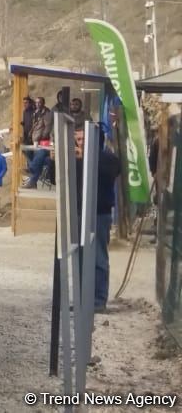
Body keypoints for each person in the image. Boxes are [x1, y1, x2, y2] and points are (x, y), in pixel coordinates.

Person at [73, 125, 121, 313]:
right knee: (80, 256)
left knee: (98, 258)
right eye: (78, 139)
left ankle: (98, 300)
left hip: (99, 214)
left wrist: (84, 158)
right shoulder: (77, 158)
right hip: (79, 211)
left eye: (84, 139)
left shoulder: (109, 159)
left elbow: (106, 173)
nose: (80, 143)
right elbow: (56, 178)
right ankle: (82, 299)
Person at [26, 96, 54, 188]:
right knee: (38, 159)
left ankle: (31, 170)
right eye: (36, 102)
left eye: (40, 102)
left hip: (43, 142)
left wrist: (41, 138)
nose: (38, 104)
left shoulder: (47, 113)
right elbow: (34, 126)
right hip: (35, 140)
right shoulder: (35, 113)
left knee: (39, 158)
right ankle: (32, 180)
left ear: (43, 103)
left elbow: (47, 127)